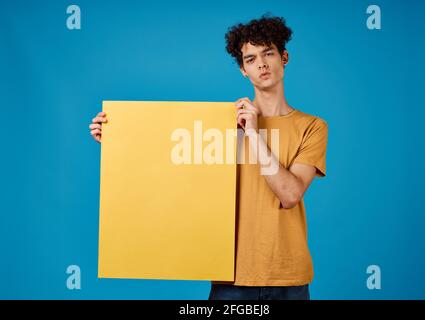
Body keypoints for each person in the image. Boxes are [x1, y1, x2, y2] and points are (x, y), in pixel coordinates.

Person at [89, 13, 328, 300]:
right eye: (250, 59)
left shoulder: (312, 127)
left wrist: (253, 133)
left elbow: (290, 194)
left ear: (284, 57)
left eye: (269, 53)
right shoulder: (220, 123)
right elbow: (172, 171)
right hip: (230, 276)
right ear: (243, 70)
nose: (262, 63)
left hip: (288, 277)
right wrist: (121, 139)